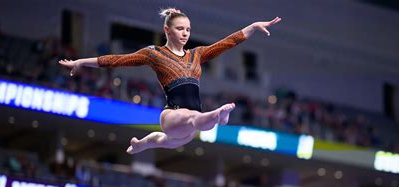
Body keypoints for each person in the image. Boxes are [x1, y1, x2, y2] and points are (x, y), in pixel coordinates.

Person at [60, 8, 281, 153]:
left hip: (186, 130)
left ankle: (141, 144)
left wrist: (252, 27)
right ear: (167, 29)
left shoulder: (197, 54)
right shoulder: (154, 54)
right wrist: (80, 61)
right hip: (173, 114)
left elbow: (227, 43)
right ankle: (217, 116)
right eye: (180, 28)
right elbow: (116, 60)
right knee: (193, 118)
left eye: (188, 29)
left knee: (164, 140)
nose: (185, 33)